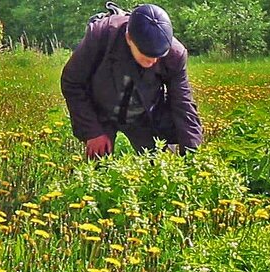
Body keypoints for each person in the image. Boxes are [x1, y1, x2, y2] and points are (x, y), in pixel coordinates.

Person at [61, 4, 203, 159]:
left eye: (158, 56)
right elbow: (72, 82)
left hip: (144, 115)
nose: (153, 61)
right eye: (146, 55)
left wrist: (192, 155)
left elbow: (182, 103)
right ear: (129, 38)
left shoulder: (175, 55)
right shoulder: (102, 35)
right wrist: (92, 132)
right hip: (101, 111)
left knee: (163, 167)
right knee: (96, 169)